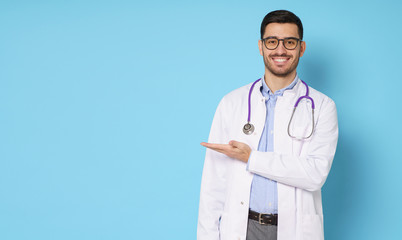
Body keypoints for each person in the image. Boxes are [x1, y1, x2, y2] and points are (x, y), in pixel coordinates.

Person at [197, 10, 338, 240]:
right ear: (261, 47)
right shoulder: (231, 103)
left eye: (289, 42)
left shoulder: (322, 106)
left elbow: (315, 174)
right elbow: (213, 183)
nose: (280, 50)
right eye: (272, 41)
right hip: (242, 227)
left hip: (294, 230)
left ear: (301, 48)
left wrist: (252, 158)